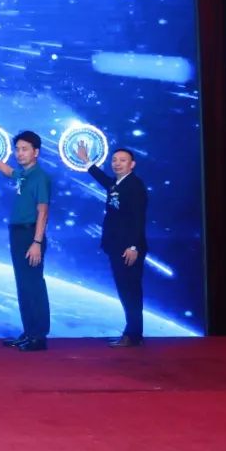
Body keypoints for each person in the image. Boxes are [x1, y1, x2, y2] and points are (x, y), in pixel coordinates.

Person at [0, 130, 52, 351]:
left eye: (25, 149)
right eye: (17, 149)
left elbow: (43, 211)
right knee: (23, 285)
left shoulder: (40, 177)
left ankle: (39, 336)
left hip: (31, 235)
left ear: (36, 152)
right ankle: (29, 332)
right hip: (18, 234)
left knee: (33, 285)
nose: (19, 153)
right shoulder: (24, 174)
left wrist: (37, 242)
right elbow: (8, 171)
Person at [77, 142, 148, 347]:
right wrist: (86, 160)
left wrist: (133, 246)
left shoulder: (134, 186)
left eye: (122, 160)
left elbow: (138, 218)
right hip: (116, 246)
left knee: (130, 291)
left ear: (132, 164)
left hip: (128, 248)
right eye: (115, 160)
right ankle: (133, 333)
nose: (117, 163)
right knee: (126, 290)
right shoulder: (118, 183)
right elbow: (104, 180)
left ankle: (132, 334)